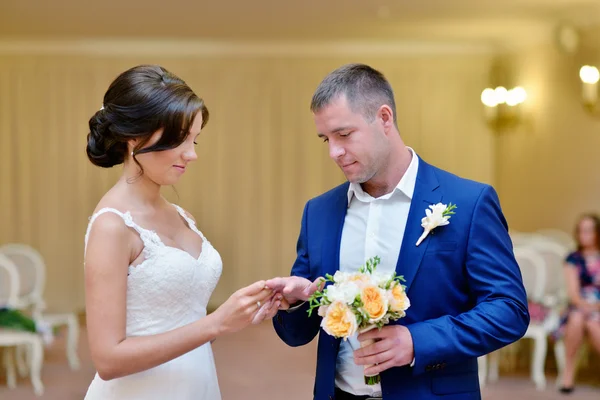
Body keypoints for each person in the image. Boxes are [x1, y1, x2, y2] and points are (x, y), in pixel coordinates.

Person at [267, 63, 530, 400]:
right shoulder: (318, 212)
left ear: (384, 118)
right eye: (326, 139)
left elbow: (508, 310)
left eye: (344, 135)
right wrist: (293, 302)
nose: (334, 152)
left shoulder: (468, 202)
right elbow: (298, 333)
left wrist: (417, 342)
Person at [83, 65, 280, 400]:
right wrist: (216, 323)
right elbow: (108, 359)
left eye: (195, 139)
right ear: (134, 137)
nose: (192, 154)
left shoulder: (181, 216)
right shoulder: (112, 226)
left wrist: (244, 310)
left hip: (196, 383)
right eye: (179, 140)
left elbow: (182, 313)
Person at [555, 213, 600, 394]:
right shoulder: (572, 258)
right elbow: (574, 294)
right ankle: (568, 372)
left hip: (597, 308)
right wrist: (589, 308)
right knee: (576, 317)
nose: (584, 234)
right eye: (581, 230)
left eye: (588, 230)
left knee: (591, 322)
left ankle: (568, 373)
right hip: (580, 306)